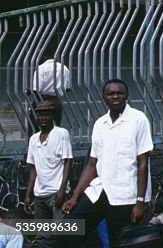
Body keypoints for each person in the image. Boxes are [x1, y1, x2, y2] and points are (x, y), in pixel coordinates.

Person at [59, 79, 153, 248]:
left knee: (119, 241)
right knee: (68, 231)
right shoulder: (100, 124)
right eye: (111, 93)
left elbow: (142, 163)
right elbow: (92, 165)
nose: (115, 96)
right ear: (104, 97)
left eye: (119, 93)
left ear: (126, 96)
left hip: (125, 195)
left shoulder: (138, 119)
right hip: (99, 190)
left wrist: (139, 202)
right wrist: (75, 197)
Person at [24, 100, 73, 248]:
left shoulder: (61, 134)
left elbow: (68, 162)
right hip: (40, 195)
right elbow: (33, 168)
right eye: (40, 115)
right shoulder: (33, 139)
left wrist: (62, 189)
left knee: (62, 235)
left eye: (46, 114)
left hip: (57, 193)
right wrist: (28, 194)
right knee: (43, 238)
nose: (43, 118)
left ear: (53, 116)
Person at [29, 49, 70, 126]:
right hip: (57, 101)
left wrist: (29, 91)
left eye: (39, 57)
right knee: (55, 128)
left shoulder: (41, 68)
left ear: (44, 56)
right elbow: (67, 88)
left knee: (35, 127)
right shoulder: (64, 68)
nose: (38, 59)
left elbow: (36, 89)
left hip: (41, 101)